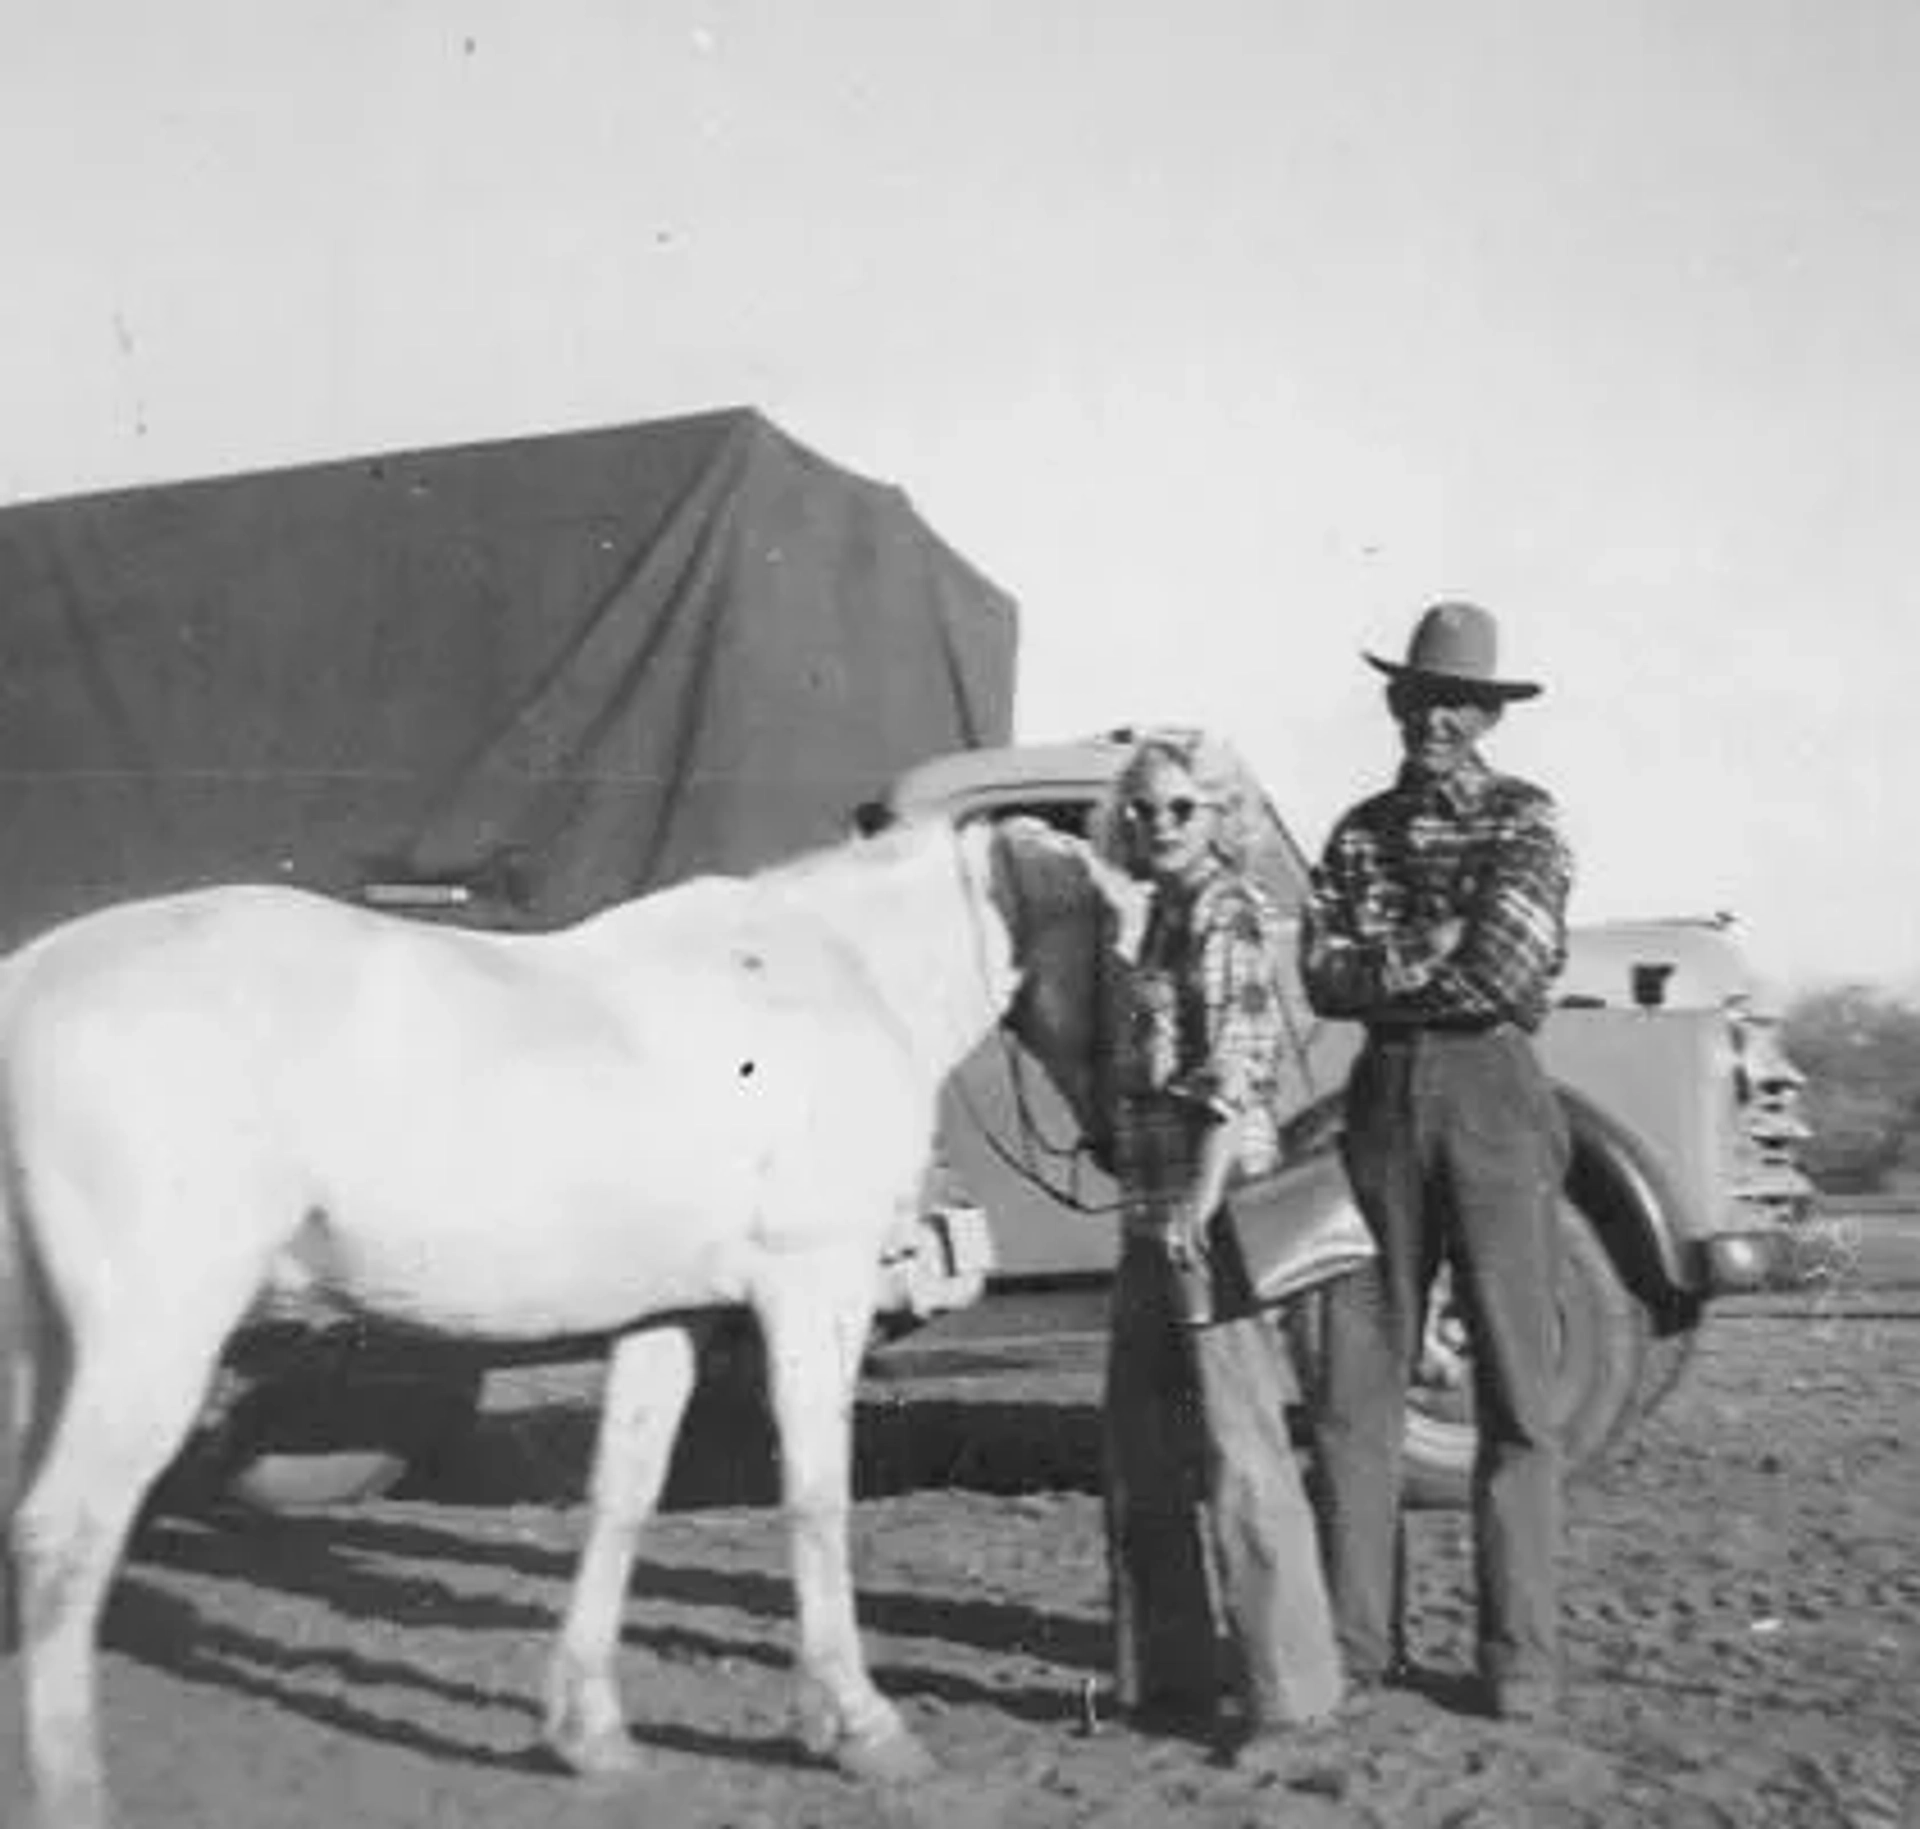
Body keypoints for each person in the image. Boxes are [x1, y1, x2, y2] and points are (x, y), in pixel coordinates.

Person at [1298, 601, 1574, 1724]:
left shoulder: (1529, 819)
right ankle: (1359, 1647)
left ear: (1487, 714)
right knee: (1356, 1383)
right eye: (1419, 697)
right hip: (1378, 1099)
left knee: (1516, 1386)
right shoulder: (1356, 828)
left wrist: (1387, 958)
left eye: (1459, 700)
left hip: (1494, 1094)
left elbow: (1507, 971)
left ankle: (1522, 1664)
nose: (1436, 719)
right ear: (1395, 703)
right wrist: (1434, 948)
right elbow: (1322, 974)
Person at [1092, 728, 1345, 1755]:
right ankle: (1171, 1677)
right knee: (1141, 1447)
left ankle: (1293, 1699)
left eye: (1182, 808)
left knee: (1241, 1451)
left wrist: (1199, 1196)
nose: (1161, 825)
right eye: (1146, 809)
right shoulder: (1157, 920)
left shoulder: (1226, 912)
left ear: (1221, 814)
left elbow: (1236, 1070)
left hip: (1210, 1212)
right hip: (1153, 1215)